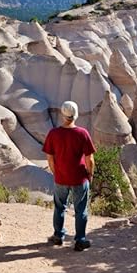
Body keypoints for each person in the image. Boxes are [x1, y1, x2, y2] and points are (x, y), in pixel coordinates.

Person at [42, 101, 96, 251]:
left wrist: (55, 172)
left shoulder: (53, 133)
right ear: (76, 115)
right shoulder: (82, 133)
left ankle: (58, 236)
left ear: (62, 115)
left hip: (61, 178)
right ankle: (80, 240)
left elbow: (50, 157)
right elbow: (89, 159)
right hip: (79, 178)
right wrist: (90, 174)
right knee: (81, 210)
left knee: (59, 207)